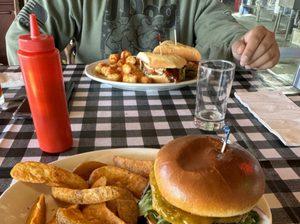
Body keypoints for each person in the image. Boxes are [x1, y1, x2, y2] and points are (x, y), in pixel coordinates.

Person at [6, 0, 280, 70]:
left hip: (180, 110)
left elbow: (218, 27)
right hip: (94, 111)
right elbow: (22, 34)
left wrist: (242, 44)